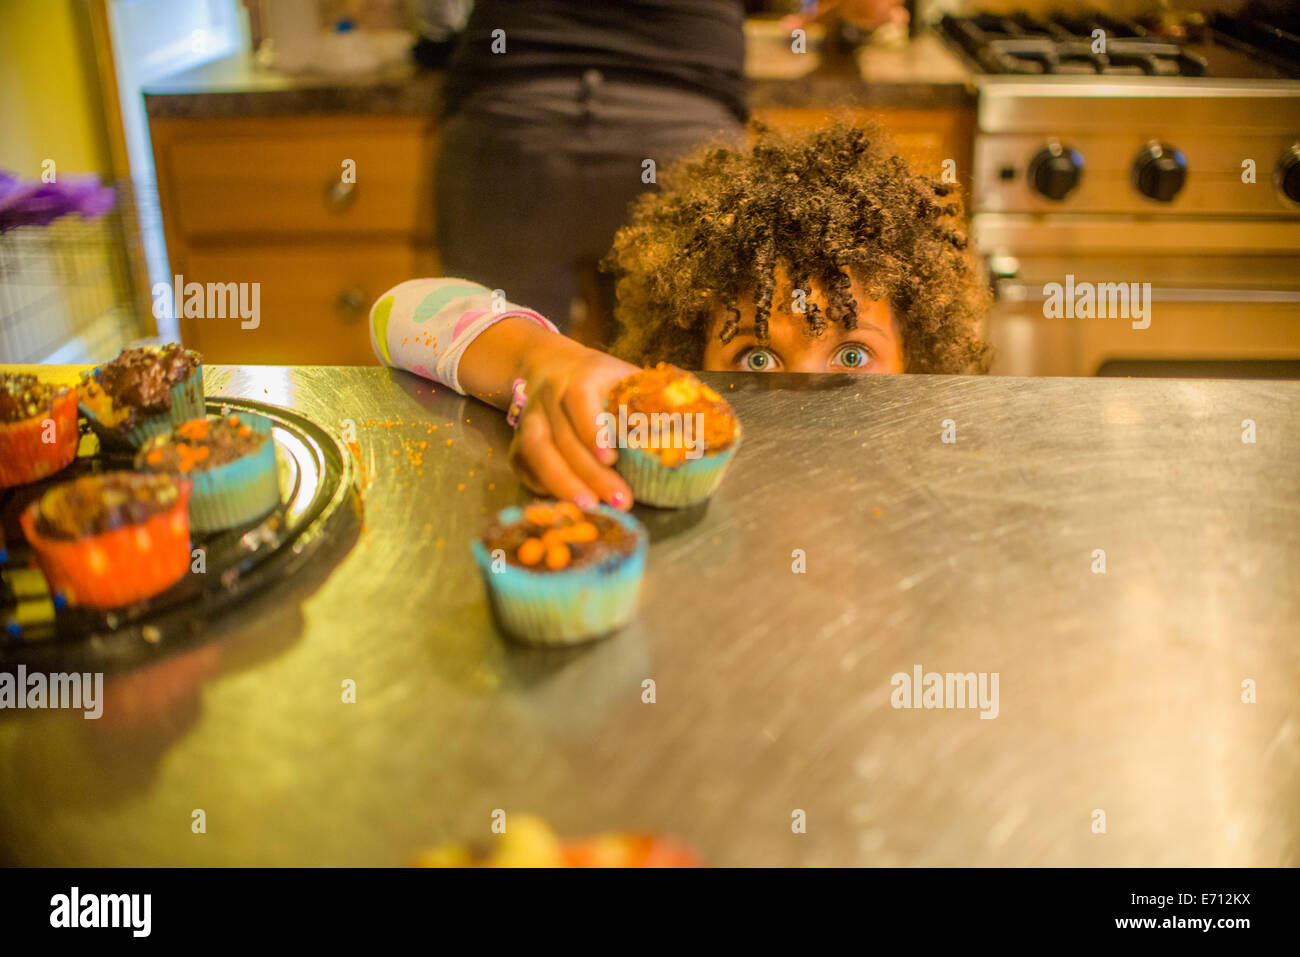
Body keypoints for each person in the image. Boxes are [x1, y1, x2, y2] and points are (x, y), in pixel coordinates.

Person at [375, 123, 989, 508]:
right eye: (757, 358)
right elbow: (398, 312)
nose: (805, 398)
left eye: (851, 355)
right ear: (689, 367)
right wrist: (545, 360)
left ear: (917, 363)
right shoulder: (659, 447)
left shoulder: (931, 498)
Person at [433, 0, 908, 333]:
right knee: (674, 404)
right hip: (682, 138)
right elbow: (867, 6)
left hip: (513, 127)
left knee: (496, 371)